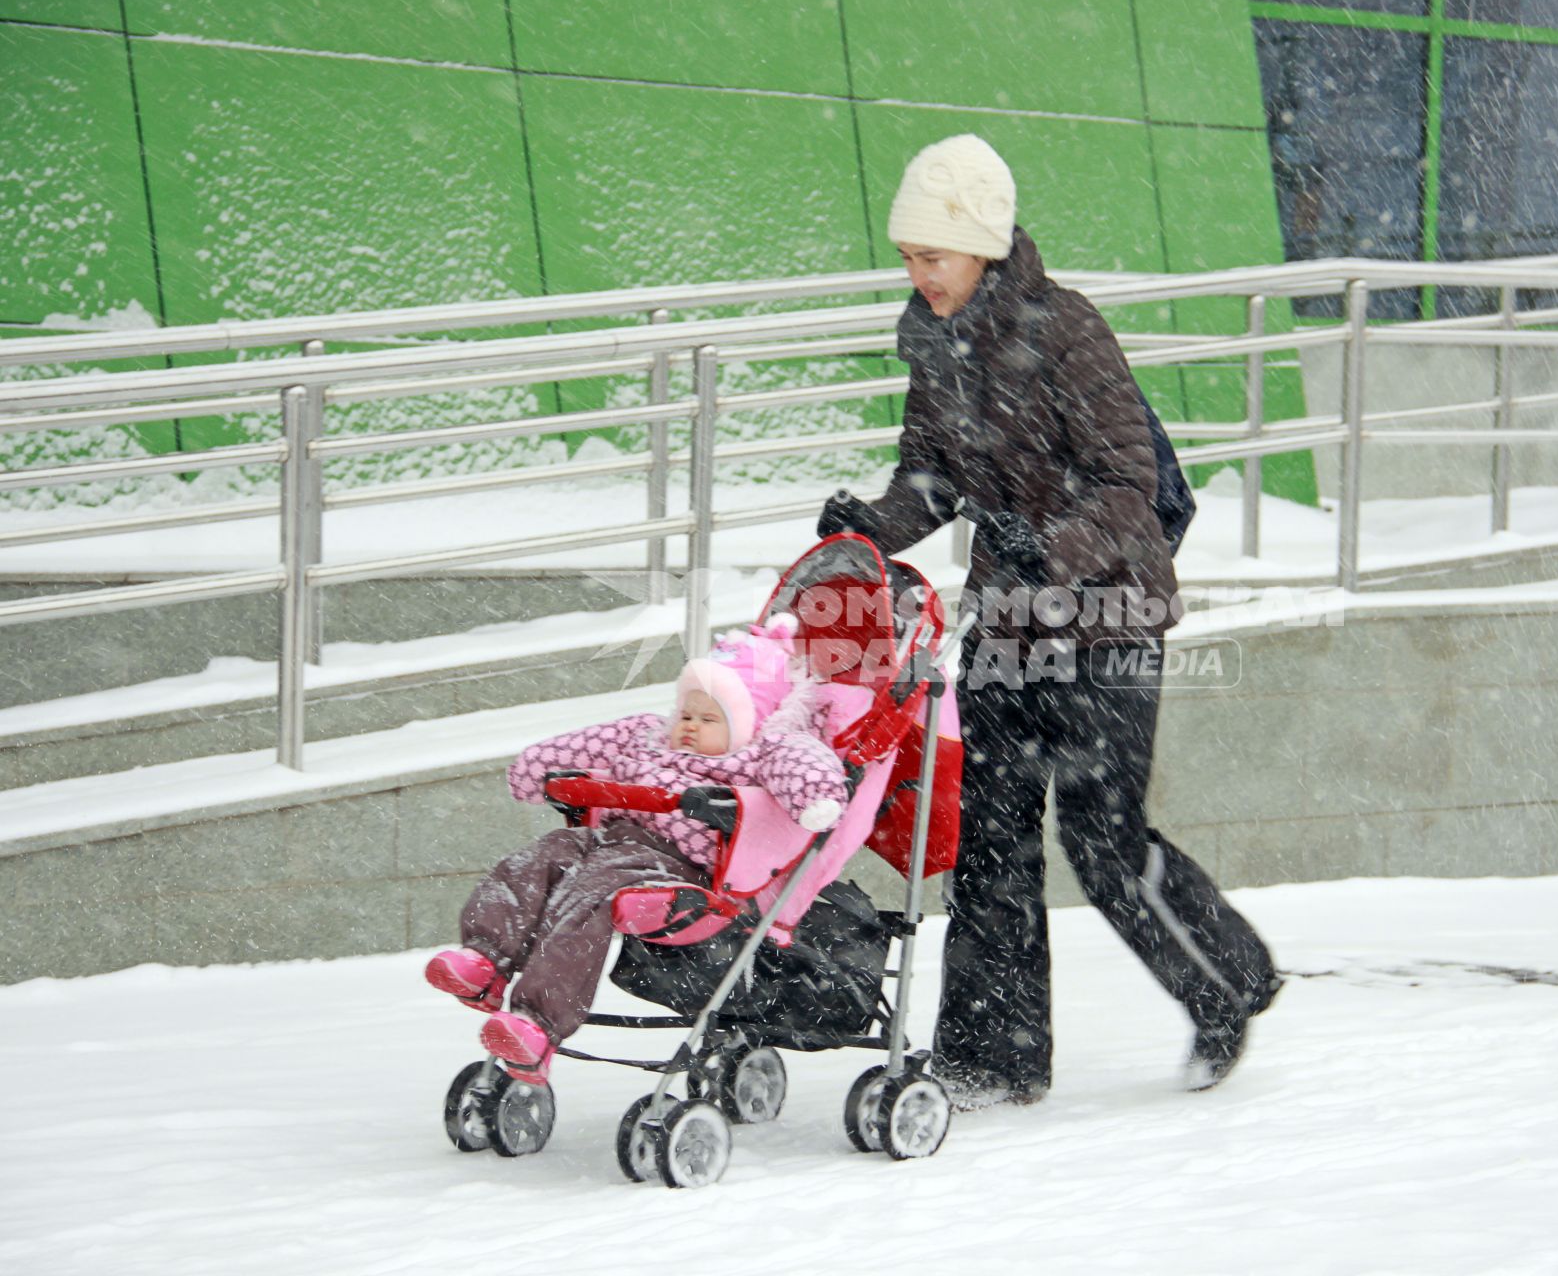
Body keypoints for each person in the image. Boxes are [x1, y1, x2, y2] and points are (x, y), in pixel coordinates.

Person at [816, 134, 1282, 1106]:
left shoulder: (1065, 329)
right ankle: (994, 1051)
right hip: (1006, 626)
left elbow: (1129, 483)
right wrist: (877, 524)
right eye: (908, 255)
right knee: (988, 839)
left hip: (1107, 620)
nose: (917, 272)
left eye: (931, 254)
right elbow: (932, 474)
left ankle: (1227, 981)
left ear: (981, 244)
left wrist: (1050, 547)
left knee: (1103, 838)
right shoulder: (934, 342)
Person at [424, 615, 847, 1084]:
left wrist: (816, 799)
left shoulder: (762, 752)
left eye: (709, 719)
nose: (689, 726)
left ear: (751, 723)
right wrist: (535, 769)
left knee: (589, 893)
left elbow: (806, 763)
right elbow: (585, 744)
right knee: (539, 858)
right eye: (686, 713)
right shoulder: (647, 735)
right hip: (610, 840)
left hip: (673, 865)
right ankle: (485, 959)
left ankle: (537, 1021)